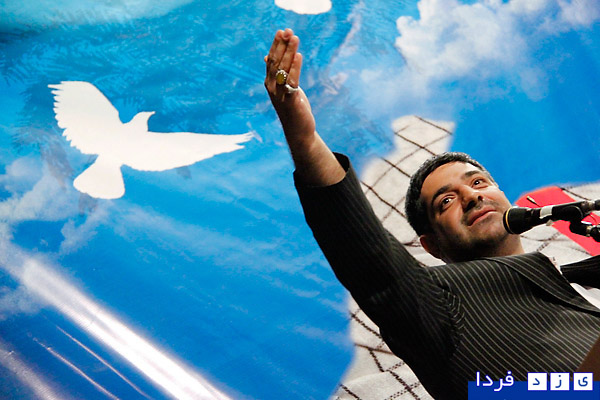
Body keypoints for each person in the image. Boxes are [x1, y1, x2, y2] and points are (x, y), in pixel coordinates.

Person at [264, 28, 600, 399]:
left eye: (478, 182)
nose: (471, 196)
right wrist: (304, 139)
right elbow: (371, 263)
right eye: (446, 201)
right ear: (432, 245)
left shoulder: (573, 276)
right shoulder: (440, 305)